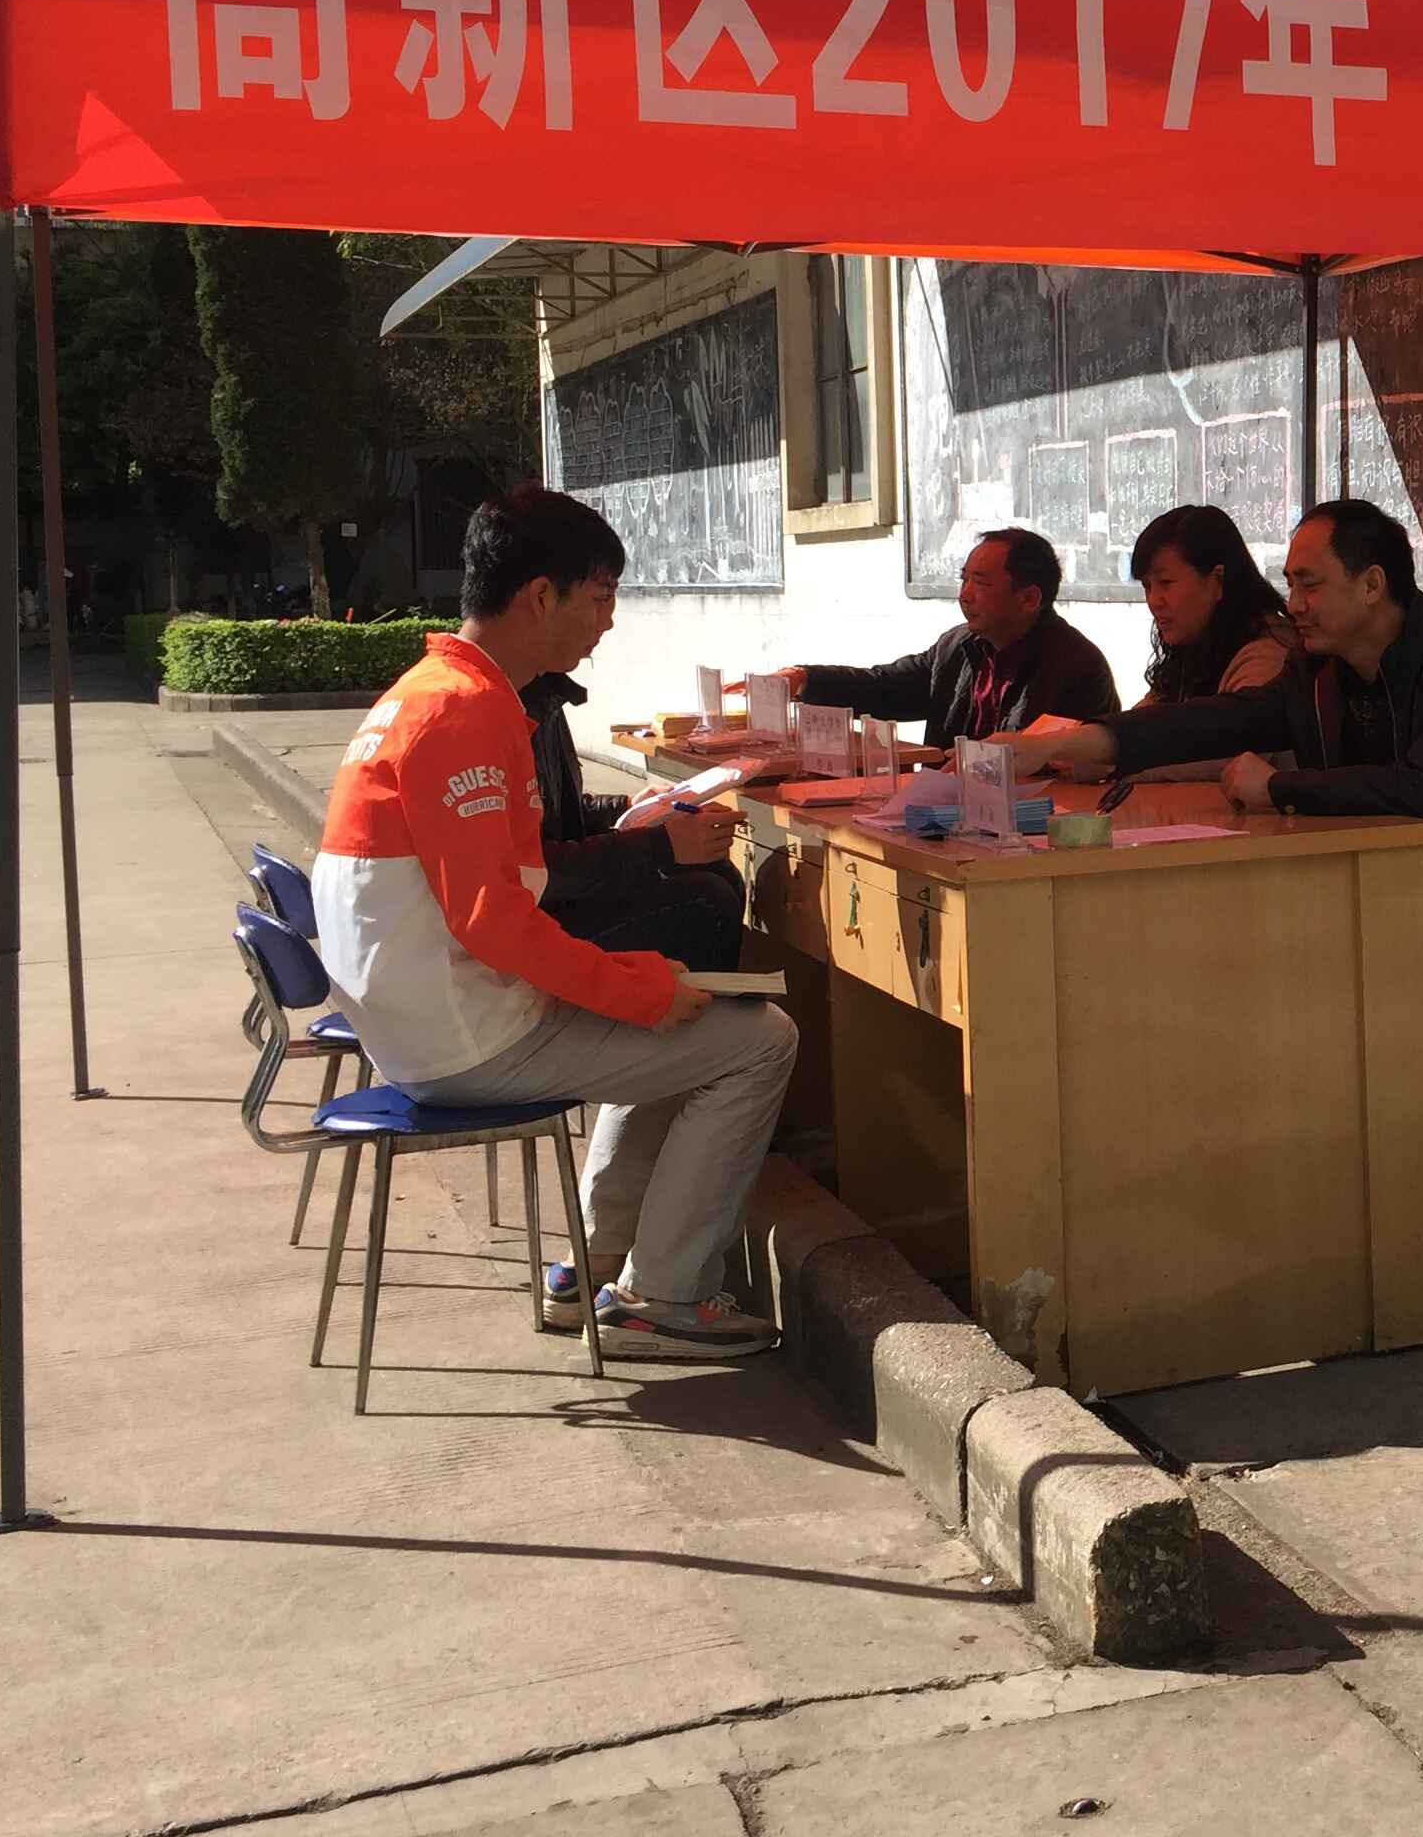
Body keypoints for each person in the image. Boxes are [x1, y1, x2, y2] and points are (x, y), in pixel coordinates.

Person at [1000, 498, 1423, 1287]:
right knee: (1276, 989)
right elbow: (1210, 722)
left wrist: (1277, 786)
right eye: (1289, 582)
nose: (1294, 602)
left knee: (1340, 1008)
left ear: (1373, 584)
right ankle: (1313, 1212)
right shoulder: (1315, 676)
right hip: (1397, 918)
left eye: (1310, 583)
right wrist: (1073, 743)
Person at [311, 485, 794, 1358]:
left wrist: (642, 990)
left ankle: (595, 1261)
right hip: (464, 1037)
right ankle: (663, 1298)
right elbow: (494, 921)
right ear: (542, 596)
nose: (607, 621)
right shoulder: (463, 711)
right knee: (761, 1041)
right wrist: (637, 990)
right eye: (601, 596)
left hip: (431, 1019)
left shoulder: (433, 693)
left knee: (685, 1016)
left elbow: (498, 891)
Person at [785, 526, 1118, 746]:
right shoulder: (957, 646)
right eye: (964, 580)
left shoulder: (1075, 665)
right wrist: (804, 679)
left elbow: (1076, 767)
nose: (965, 595)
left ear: (1029, 599)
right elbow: (886, 688)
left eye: (981, 584)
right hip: (946, 811)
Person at [519, 667, 748, 972]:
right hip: (535, 927)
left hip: (560, 895)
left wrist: (629, 807)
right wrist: (660, 845)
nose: (599, 638)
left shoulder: (542, 693)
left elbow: (557, 812)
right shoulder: (490, 711)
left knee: (716, 871)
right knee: (706, 898)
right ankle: (686, 998)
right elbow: (528, 871)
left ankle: (702, 995)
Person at [1130, 504, 1299, 704]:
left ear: (1217, 580)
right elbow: (1143, 717)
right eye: (1147, 586)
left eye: (1166, 582)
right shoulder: (1192, 646)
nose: (1154, 601)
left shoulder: (1267, 660)